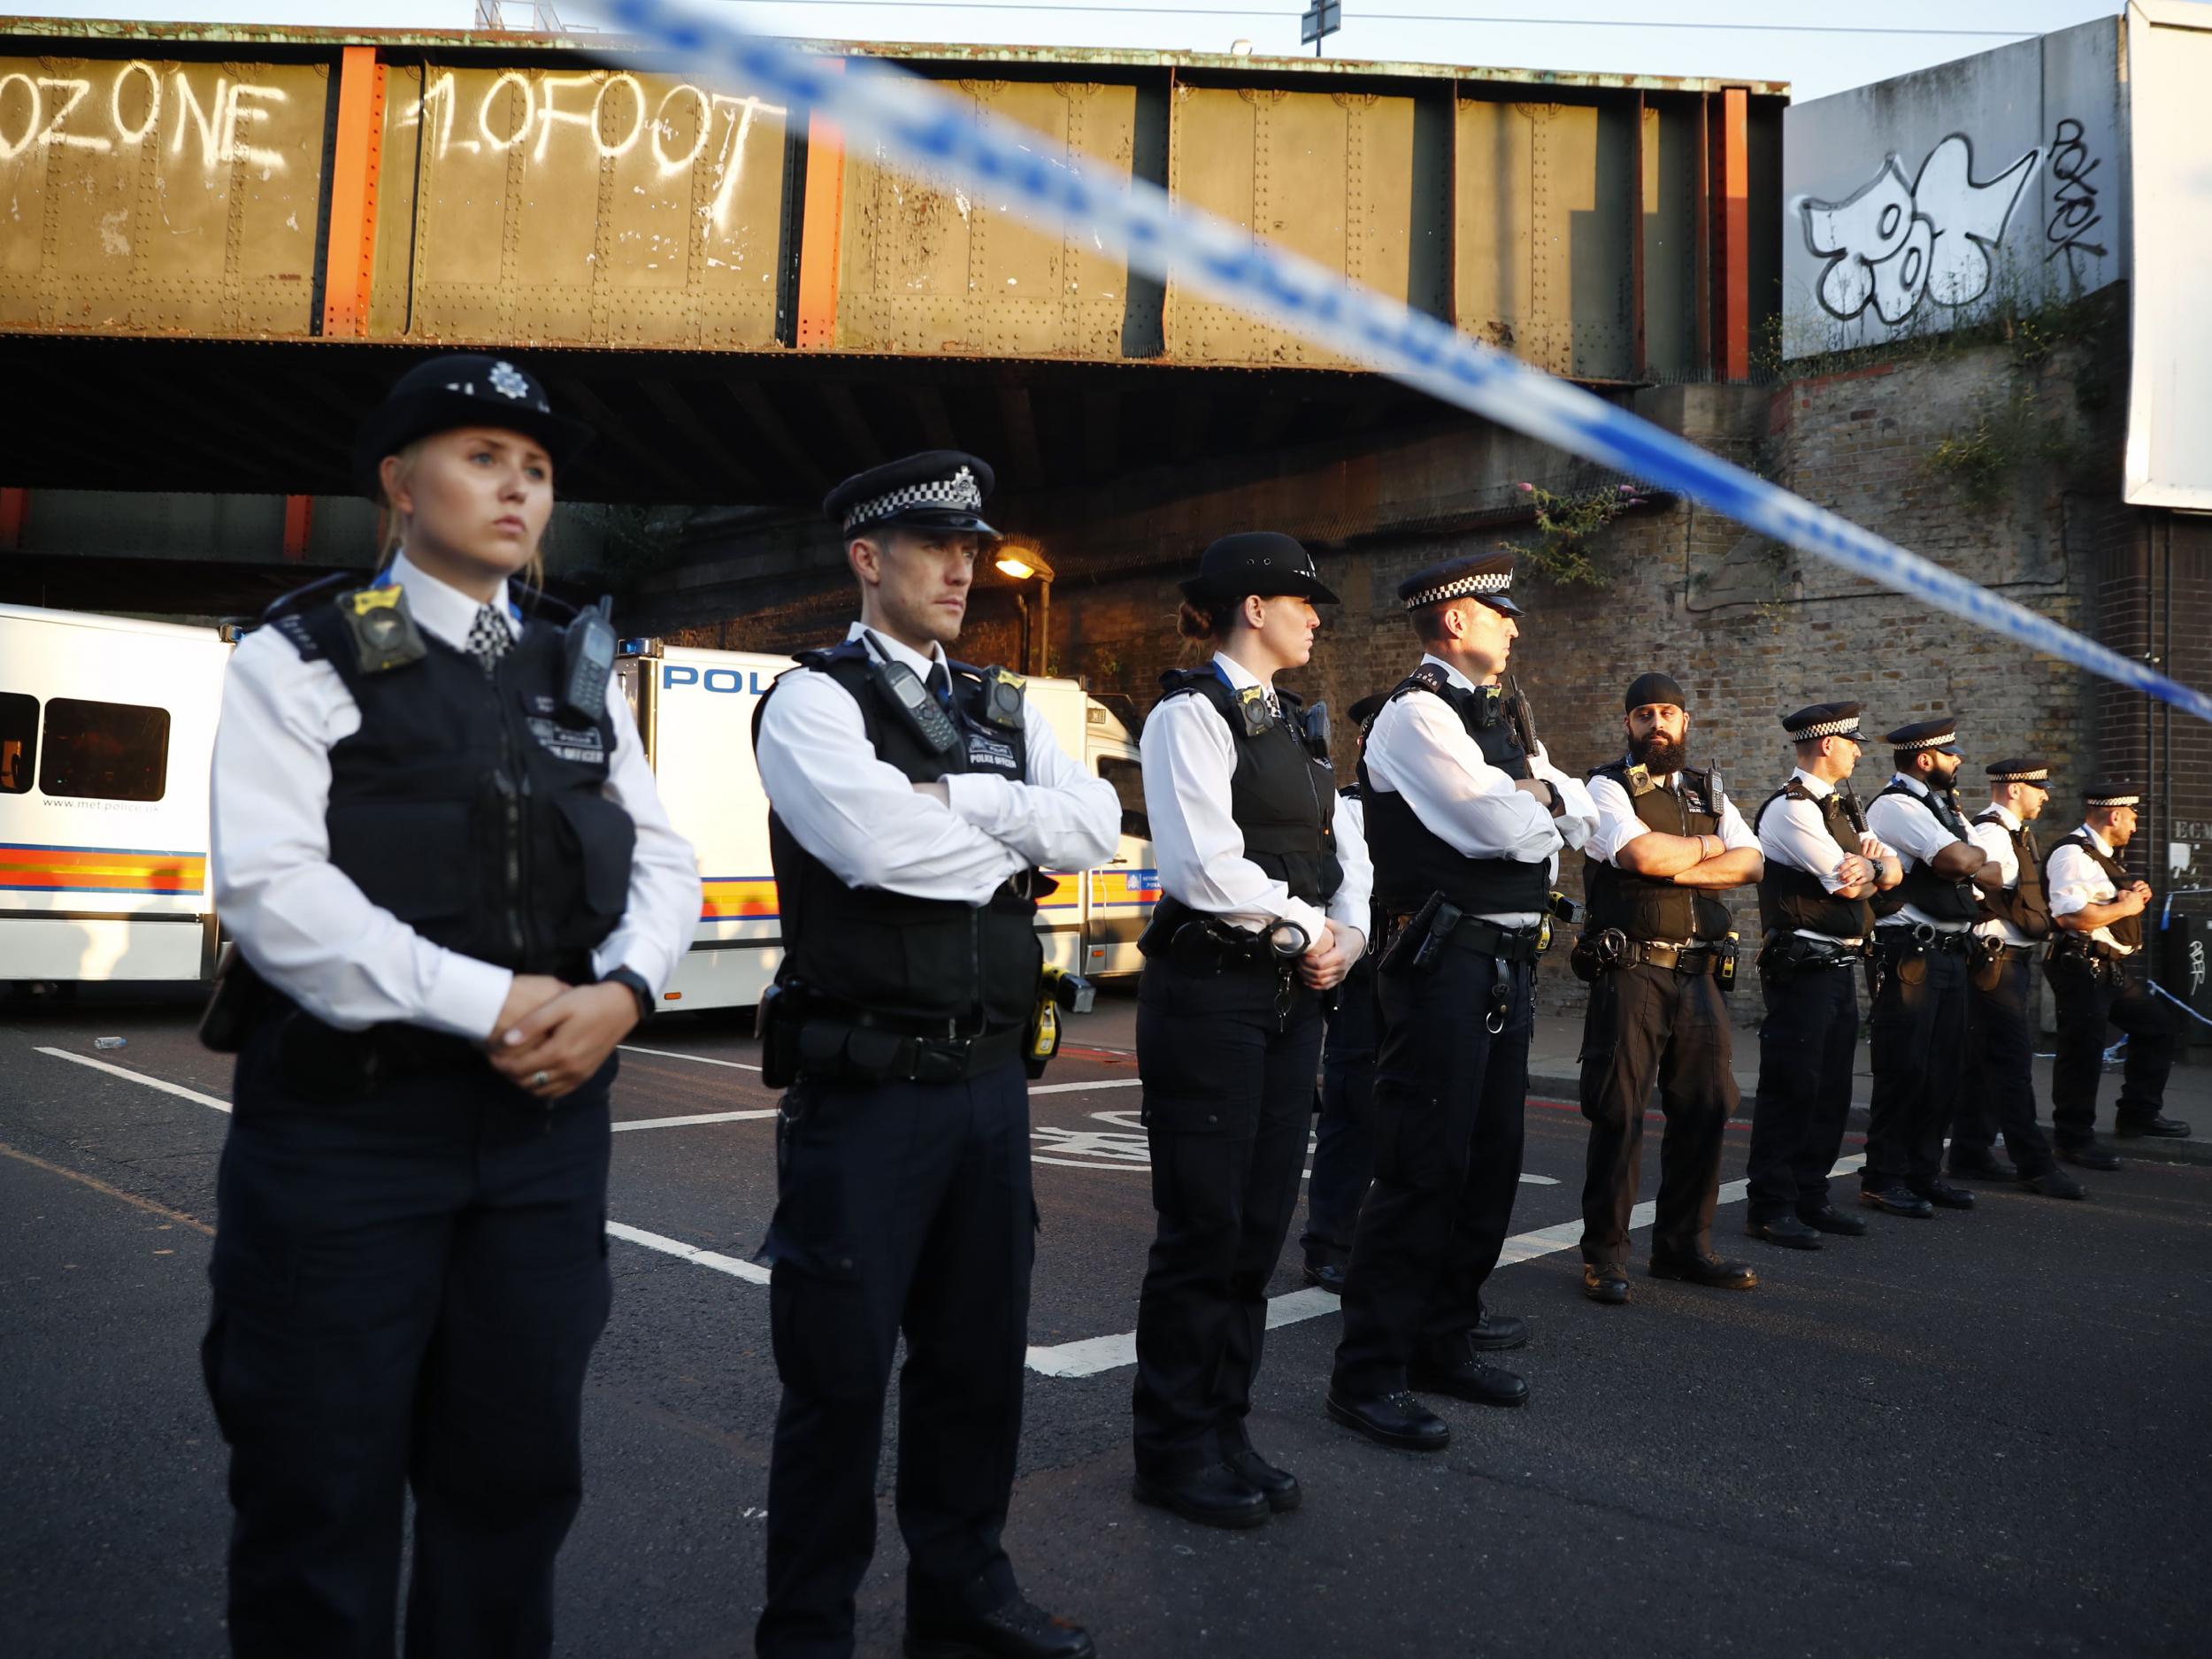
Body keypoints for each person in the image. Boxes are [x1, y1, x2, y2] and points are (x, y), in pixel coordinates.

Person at [200, 353, 702, 1657]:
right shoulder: (300, 651)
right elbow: (271, 891)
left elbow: (661, 857)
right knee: (321, 1491)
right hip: (344, 1144)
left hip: (536, 1149)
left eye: (536, 471)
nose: (517, 488)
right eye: (483, 457)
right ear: (398, 481)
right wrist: (500, 1002)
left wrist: (625, 990)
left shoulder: (572, 665)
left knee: (513, 1488)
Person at [750, 451, 1116, 1659]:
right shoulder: (813, 700)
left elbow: (1098, 827)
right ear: (868, 557)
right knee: (840, 1382)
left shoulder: (1000, 702)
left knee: (975, 1369)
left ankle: (962, 1596)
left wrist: (954, 799)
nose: (965, 566)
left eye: (973, 545)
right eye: (935, 545)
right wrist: (1011, 827)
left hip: (987, 1089)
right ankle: (807, 1628)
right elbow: (876, 853)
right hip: (866, 1094)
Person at [1326, 552, 1597, 1454]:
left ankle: (1443, 1333)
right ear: (1453, 623)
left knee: (1489, 1162)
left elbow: (1579, 824)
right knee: (1419, 1166)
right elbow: (1496, 828)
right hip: (1442, 966)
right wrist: (1538, 802)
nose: (1515, 626)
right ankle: (1366, 1372)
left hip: (1503, 967)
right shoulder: (1412, 715)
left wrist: (1537, 797)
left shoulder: (1501, 717)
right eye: (1500, 612)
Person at [1131, 532, 1371, 1529]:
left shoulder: (1302, 730)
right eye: (1301, 599)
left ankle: (1224, 1427)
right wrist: (1313, 928)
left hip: (1288, 996)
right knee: (1204, 1228)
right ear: (1252, 608)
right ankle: (1172, 1448)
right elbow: (1198, 867)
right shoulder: (1189, 714)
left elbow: (1344, 845)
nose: (1316, 615)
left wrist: (1348, 934)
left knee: (1260, 1226)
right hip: (1211, 998)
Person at [1575, 672, 1763, 1306]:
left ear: (1686, 723)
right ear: (1627, 724)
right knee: (1620, 1111)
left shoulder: (1710, 788)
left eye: (1668, 713)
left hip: (1700, 972)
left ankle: (1683, 1246)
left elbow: (1754, 861)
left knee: (1708, 1107)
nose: (1658, 723)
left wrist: (1685, 851)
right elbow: (1642, 858)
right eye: (1645, 714)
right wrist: (1710, 850)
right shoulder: (1605, 786)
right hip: (1633, 969)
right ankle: (1605, 1255)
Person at [1741, 703, 1901, 1251]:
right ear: (1827, 744)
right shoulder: (1792, 811)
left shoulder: (1844, 810)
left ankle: (1810, 1193)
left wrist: (1877, 869)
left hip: (1839, 963)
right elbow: (1847, 886)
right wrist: (1876, 872)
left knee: (1831, 1089)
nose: (1859, 750)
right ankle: (1771, 1204)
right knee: (1793, 1086)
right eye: (1853, 742)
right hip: (1803, 963)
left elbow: (1891, 870)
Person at [1858, 718, 1995, 1219]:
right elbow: (1961, 860)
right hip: (1911, 953)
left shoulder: (1942, 806)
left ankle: (1922, 1172)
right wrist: (1970, 858)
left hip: (1950, 951)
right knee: (1906, 1067)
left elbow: (1987, 870)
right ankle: (1883, 1178)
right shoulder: (1896, 806)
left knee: (1942, 1069)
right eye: (1951, 754)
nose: (1959, 761)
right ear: (1925, 759)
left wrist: (1969, 859)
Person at [1947, 759, 2082, 1198]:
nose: (2045, 795)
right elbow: (1966, 885)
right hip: (1995, 962)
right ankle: (2035, 1166)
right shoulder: (1991, 833)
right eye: (2037, 787)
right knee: (2011, 1064)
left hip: (2007, 962)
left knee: (1981, 1063)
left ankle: (1970, 1152)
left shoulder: (2014, 834)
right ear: (2011, 790)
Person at [2043, 780, 2194, 1168]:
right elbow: (2070, 915)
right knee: (2083, 1053)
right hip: (2081, 965)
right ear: (2114, 815)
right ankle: (2073, 1140)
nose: (2135, 826)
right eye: (2131, 817)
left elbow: (2103, 900)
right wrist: (2127, 908)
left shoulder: (2101, 854)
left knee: (2157, 1027)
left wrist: (2131, 893)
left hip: (2106, 967)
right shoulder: (2073, 855)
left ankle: (2138, 1115)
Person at [1301, 689, 1388, 1295]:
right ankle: (1328, 1242)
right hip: (1370, 974)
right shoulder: (1351, 807)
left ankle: (1392, 1241)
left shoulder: (1444, 804)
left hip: (1434, 978)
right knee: (1352, 1113)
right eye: (1372, 734)